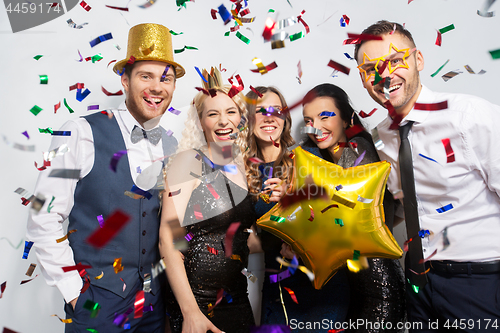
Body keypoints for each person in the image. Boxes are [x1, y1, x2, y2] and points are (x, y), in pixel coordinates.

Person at [25, 23, 183, 332]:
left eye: (166, 78)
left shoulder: (170, 144)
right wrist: (74, 293)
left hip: (153, 308)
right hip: (96, 305)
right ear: (125, 80)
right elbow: (42, 214)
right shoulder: (78, 132)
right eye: (145, 76)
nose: (157, 87)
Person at [354, 20, 500, 331]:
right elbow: (403, 207)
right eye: (371, 69)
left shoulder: (470, 117)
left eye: (395, 61)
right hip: (418, 282)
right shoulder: (381, 137)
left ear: (418, 59)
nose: (384, 75)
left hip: (479, 281)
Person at [299, 83, 406, 332]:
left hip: (379, 286)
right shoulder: (328, 160)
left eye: (325, 116)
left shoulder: (359, 150)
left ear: (347, 119)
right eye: (309, 120)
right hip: (357, 284)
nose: (316, 126)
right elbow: (393, 209)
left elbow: (343, 221)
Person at [244, 86, 350, 332]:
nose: (269, 117)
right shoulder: (243, 171)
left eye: (276, 110)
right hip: (276, 289)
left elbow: (341, 215)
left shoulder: (311, 156)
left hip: (321, 288)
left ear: (285, 118)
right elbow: (246, 234)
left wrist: (293, 197)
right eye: (260, 111)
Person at [159, 70, 256, 333]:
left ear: (241, 118)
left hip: (237, 298)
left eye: (231, 112)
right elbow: (168, 240)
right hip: (196, 302)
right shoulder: (188, 161)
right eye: (213, 114)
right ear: (201, 122)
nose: (224, 121)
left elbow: (242, 237)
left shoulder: (244, 167)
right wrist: (190, 313)